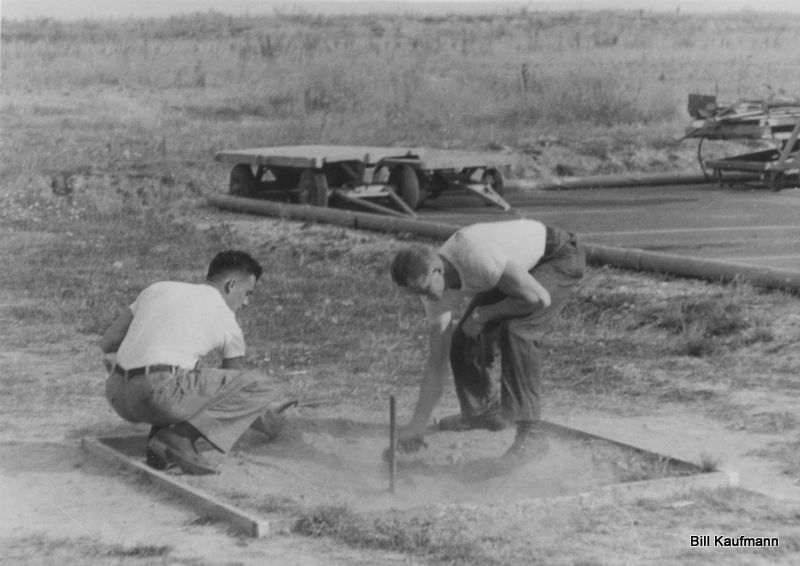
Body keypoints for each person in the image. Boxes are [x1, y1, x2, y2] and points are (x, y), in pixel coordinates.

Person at [390, 219, 584, 463]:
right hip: (514, 269)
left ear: (436, 270)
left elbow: (539, 299)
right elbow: (436, 362)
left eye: (425, 289)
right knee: (463, 337)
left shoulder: (475, 258)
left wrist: (484, 315)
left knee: (518, 330)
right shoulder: (434, 292)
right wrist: (417, 424)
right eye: (416, 293)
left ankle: (532, 435)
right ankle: (483, 413)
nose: (424, 298)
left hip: (558, 255)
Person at [98, 250, 278, 475]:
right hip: (156, 396)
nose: (247, 302)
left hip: (117, 393)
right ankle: (178, 437)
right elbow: (234, 392)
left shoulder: (158, 289)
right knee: (260, 386)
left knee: (187, 373)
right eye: (247, 293)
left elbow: (109, 341)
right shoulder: (228, 322)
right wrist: (263, 417)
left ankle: (159, 444)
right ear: (231, 285)